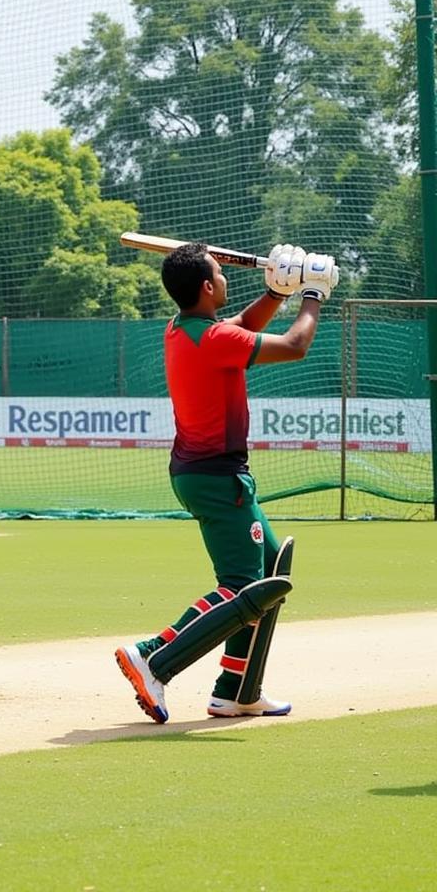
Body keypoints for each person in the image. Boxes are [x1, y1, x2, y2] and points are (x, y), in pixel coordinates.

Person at [115, 242, 338, 723]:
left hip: (207, 472)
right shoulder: (213, 339)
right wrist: (313, 294)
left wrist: (276, 292)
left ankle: (236, 689)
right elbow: (296, 346)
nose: (224, 277)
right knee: (242, 585)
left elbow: (241, 327)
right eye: (219, 272)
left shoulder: (185, 329)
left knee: (270, 568)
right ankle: (153, 657)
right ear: (206, 286)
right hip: (217, 477)